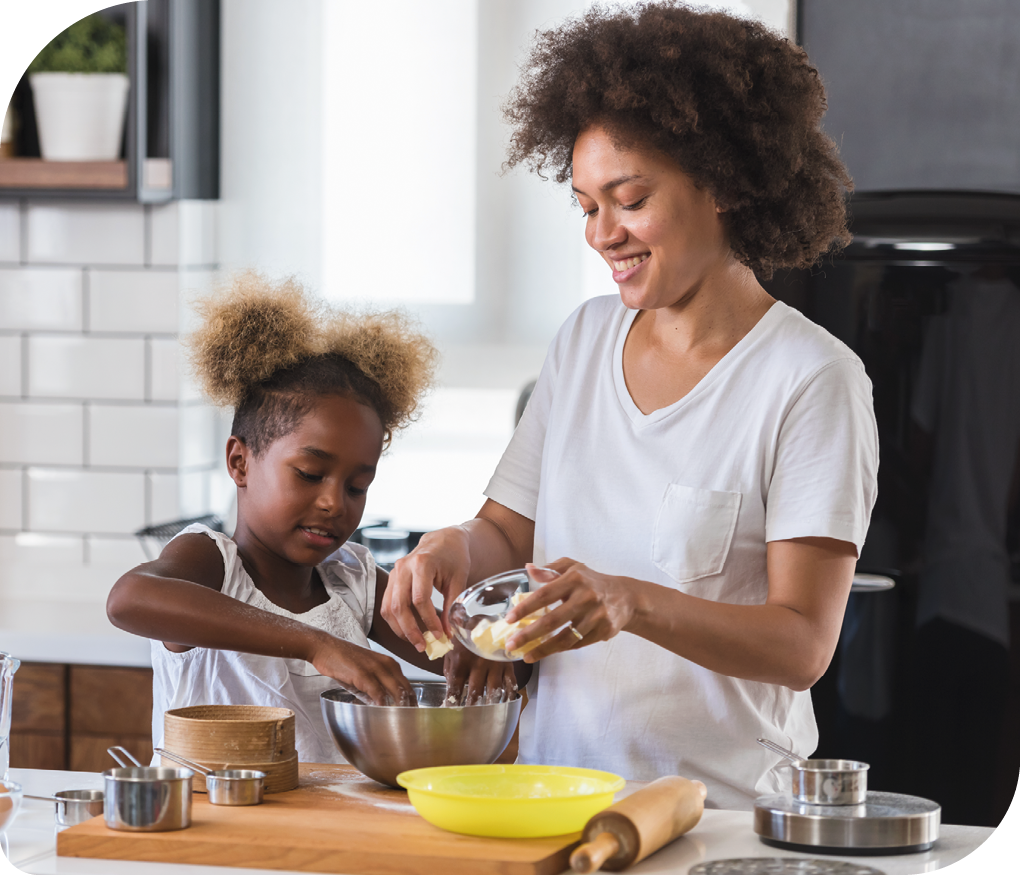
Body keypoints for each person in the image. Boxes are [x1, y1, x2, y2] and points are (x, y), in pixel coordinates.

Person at [382, 2, 879, 809]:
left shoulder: (810, 380)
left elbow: (802, 644)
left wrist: (630, 602)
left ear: (721, 182)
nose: (602, 233)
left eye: (630, 198)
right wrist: (451, 547)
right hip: (553, 799)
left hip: (721, 818)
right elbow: (508, 531)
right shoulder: (582, 341)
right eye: (586, 205)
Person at [106, 272, 477, 763]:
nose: (333, 503)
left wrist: (479, 644)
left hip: (321, 829)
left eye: (356, 486)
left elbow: (459, 656)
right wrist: (315, 645)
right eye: (308, 474)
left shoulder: (353, 581)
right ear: (240, 462)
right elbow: (129, 599)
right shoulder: (214, 563)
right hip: (212, 828)